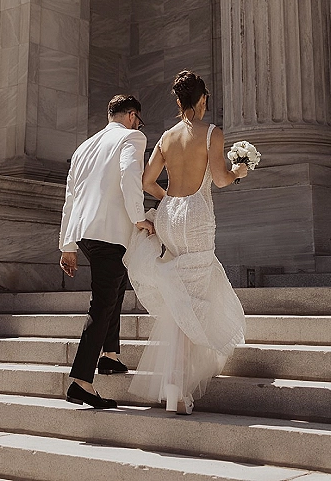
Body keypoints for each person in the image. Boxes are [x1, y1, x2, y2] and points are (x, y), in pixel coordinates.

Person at [124, 70, 247, 415]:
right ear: (202, 99)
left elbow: (147, 181)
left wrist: (168, 201)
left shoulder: (166, 136)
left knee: (180, 293)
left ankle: (174, 383)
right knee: (188, 299)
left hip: (168, 215)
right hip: (195, 216)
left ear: (179, 102)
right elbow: (220, 180)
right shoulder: (212, 133)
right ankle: (176, 385)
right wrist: (240, 171)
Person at [59, 94, 155, 410]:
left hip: (85, 233)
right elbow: (130, 176)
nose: (139, 125)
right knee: (102, 303)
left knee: (114, 286)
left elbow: (70, 197)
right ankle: (81, 382)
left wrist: (68, 245)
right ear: (131, 116)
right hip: (110, 232)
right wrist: (140, 217)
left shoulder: (83, 147)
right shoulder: (133, 137)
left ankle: (110, 355)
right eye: (138, 120)